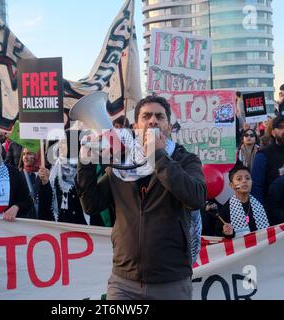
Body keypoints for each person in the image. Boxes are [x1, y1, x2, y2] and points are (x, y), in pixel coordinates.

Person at [77, 95, 206, 300]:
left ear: (169, 126)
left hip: (170, 281)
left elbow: (196, 198)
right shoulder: (122, 165)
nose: (153, 120)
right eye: (146, 116)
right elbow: (92, 205)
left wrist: (158, 156)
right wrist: (85, 164)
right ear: (136, 126)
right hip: (123, 281)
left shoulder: (186, 160)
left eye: (159, 117)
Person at [215, 164, 269, 238]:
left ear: (252, 182)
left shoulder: (260, 206)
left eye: (247, 178)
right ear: (232, 185)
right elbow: (219, 235)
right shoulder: (226, 210)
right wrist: (229, 234)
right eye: (239, 179)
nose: (244, 181)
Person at [251, 115, 284, 206]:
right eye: (281, 127)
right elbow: (256, 187)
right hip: (274, 212)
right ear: (273, 133)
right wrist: (261, 214)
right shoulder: (263, 155)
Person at [19, 147, 52, 220]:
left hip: (43, 220)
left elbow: (49, 200)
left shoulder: (47, 173)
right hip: (26, 221)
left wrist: (45, 182)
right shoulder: (18, 175)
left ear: (37, 155)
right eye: (24, 154)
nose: (25, 157)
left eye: (29, 153)